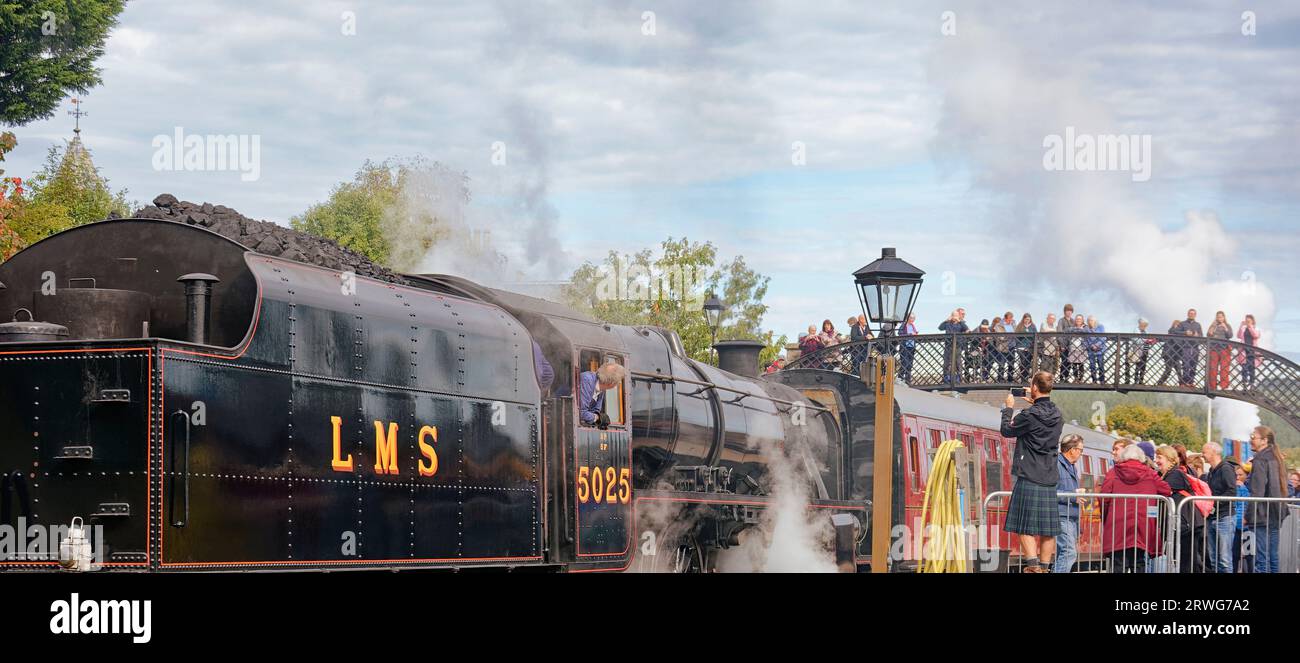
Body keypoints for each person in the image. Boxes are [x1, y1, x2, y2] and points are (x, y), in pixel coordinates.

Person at [1001, 371, 1065, 573]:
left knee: (1023, 526)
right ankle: (1045, 569)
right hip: (1048, 476)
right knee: (1049, 530)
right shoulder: (1058, 415)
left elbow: (1006, 430)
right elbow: (1042, 420)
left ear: (1034, 388)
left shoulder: (1028, 416)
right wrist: (1036, 403)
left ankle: (1033, 567)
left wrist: (1008, 409)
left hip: (1029, 475)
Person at [1100, 442, 1171, 572]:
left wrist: (1105, 517)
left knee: (1118, 563)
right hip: (1142, 524)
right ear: (1141, 458)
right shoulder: (1150, 473)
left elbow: (1104, 497)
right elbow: (1166, 490)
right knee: (1139, 561)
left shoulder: (1113, 472)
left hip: (1118, 523)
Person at [1155, 445, 1207, 573]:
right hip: (1181, 525)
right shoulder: (1164, 474)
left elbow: (1162, 490)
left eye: (1159, 457)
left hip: (1186, 525)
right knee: (1183, 560)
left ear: (1169, 459)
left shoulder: (1176, 474)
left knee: (1187, 562)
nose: (1156, 460)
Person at [1245, 425, 1287, 573]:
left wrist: (1248, 515)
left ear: (1264, 440)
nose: (1251, 440)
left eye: (1253, 437)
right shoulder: (1276, 457)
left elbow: (1257, 491)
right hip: (1276, 512)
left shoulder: (1260, 459)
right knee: (1273, 556)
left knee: (1262, 558)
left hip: (1262, 514)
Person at [1203, 441, 1237, 573]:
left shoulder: (1226, 468)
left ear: (1213, 452)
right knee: (1214, 558)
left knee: (1224, 559)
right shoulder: (1212, 470)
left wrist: (1212, 503)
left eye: (1204, 452)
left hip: (1224, 517)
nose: (1203, 455)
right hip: (1213, 516)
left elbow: (1232, 492)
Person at [1054, 434, 1085, 573]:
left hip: (1071, 516)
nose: (1080, 454)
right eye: (1080, 450)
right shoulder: (1056, 464)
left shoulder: (1072, 467)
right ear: (1072, 450)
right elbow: (1051, 491)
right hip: (1061, 514)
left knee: (1063, 552)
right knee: (1069, 552)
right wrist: (1073, 496)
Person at [578, 361, 627, 428]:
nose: (619, 383)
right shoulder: (587, 380)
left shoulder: (602, 389)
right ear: (611, 383)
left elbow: (595, 411)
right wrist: (597, 417)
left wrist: (596, 417)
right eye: (618, 381)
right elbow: (580, 413)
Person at [938, 310, 968, 383]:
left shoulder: (961, 324)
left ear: (958, 316)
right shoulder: (948, 323)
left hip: (957, 345)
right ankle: (946, 378)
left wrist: (959, 321)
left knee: (958, 363)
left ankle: (959, 379)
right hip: (948, 345)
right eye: (953, 315)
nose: (954, 317)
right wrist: (946, 320)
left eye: (956, 315)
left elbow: (966, 329)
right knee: (946, 363)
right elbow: (940, 328)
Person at [1206, 311, 1233, 390]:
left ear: (1224, 317)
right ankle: (1212, 386)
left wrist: (1225, 327)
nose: (1219, 318)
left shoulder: (1227, 325)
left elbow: (1230, 335)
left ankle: (1224, 386)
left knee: (1224, 368)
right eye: (1218, 317)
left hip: (1224, 348)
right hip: (1214, 348)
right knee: (1213, 368)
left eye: (1221, 316)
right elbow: (1208, 335)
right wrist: (1212, 328)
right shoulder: (1213, 325)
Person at [1176, 309, 1203, 387]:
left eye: (1193, 314)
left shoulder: (1198, 325)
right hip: (1186, 347)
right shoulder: (1182, 323)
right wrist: (1185, 333)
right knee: (1185, 365)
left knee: (1193, 365)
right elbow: (1175, 332)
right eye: (1190, 313)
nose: (1192, 315)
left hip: (1195, 347)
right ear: (1188, 314)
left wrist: (1198, 335)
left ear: (1195, 315)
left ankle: (1191, 382)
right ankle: (1184, 382)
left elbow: (1201, 336)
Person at [1123, 318, 1155, 384]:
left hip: (1145, 350)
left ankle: (1141, 381)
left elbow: (1147, 339)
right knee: (1138, 366)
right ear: (1140, 324)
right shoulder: (1136, 330)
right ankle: (1136, 381)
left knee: (1143, 366)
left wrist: (1151, 340)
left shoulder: (1146, 331)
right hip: (1138, 351)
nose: (1145, 326)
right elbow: (1136, 340)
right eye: (1144, 325)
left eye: (1146, 325)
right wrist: (1145, 340)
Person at [1232, 462, 1249, 572]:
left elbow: (1247, 503)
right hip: (1235, 525)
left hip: (1247, 526)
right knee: (1234, 554)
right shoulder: (1233, 487)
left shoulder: (1248, 487)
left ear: (1246, 475)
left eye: (1240, 474)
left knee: (1249, 555)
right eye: (1236, 475)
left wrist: (1241, 488)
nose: (1238, 477)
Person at [1156, 319, 1183, 386]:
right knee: (1169, 370)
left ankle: (1181, 383)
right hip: (1169, 353)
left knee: (1178, 369)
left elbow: (1163, 339)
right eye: (1178, 325)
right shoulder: (1172, 331)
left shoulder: (1175, 333)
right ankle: (1160, 383)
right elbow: (1177, 343)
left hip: (1174, 355)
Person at [1237, 314, 1261, 389]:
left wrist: (1250, 327)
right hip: (1244, 350)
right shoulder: (1244, 328)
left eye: (1249, 321)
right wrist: (1241, 326)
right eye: (1246, 320)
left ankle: (1251, 384)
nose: (1247, 322)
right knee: (1244, 367)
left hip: (1252, 351)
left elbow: (1256, 335)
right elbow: (1239, 336)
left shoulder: (1256, 328)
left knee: (1252, 368)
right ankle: (1244, 384)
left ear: (1252, 321)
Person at [1065, 314, 1087, 384]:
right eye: (1077, 319)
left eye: (1080, 319)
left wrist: (1079, 330)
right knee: (1074, 365)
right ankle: (1076, 378)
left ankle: (1080, 379)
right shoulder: (1072, 327)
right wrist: (1079, 329)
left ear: (1082, 320)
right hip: (1073, 348)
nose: (1078, 320)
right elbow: (1068, 330)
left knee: (1081, 365)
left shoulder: (1085, 327)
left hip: (1082, 348)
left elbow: (1085, 331)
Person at [1015, 313, 1036, 383]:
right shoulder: (1020, 326)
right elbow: (1016, 336)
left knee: (1028, 363)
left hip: (1030, 347)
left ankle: (1026, 378)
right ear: (1023, 319)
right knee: (1023, 362)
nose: (1027, 320)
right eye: (1026, 319)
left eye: (1028, 319)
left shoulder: (1033, 326)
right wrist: (1023, 334)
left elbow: (1035, 336)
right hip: (1021, 347)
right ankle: (1022, 378)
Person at [1085, 315, 1106, 383]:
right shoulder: (1087, 328)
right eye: (1089, 321)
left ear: (1095, 321)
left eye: (1092, 320)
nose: (1090, 322)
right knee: (1092, 366)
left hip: (1100, 349)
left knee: (1101, 365)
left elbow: (1103, 337)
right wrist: (1092, 345)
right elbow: (1086, 339)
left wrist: (1097, 345)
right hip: (1091, 350)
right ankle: (1094, 380)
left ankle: (1102, 380)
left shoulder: (1100, 327)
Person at [897, 313, 917, 382]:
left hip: (911, 346)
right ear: (908, 318)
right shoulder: (904, 325)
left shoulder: (913, 326)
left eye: (914, 318)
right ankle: (900, 378)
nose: (912, 320)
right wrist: (910, 334)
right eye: (911, 318)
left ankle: (908, 380)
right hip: (904, 346)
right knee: (904, 363)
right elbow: (899, 333)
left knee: (910, 364)